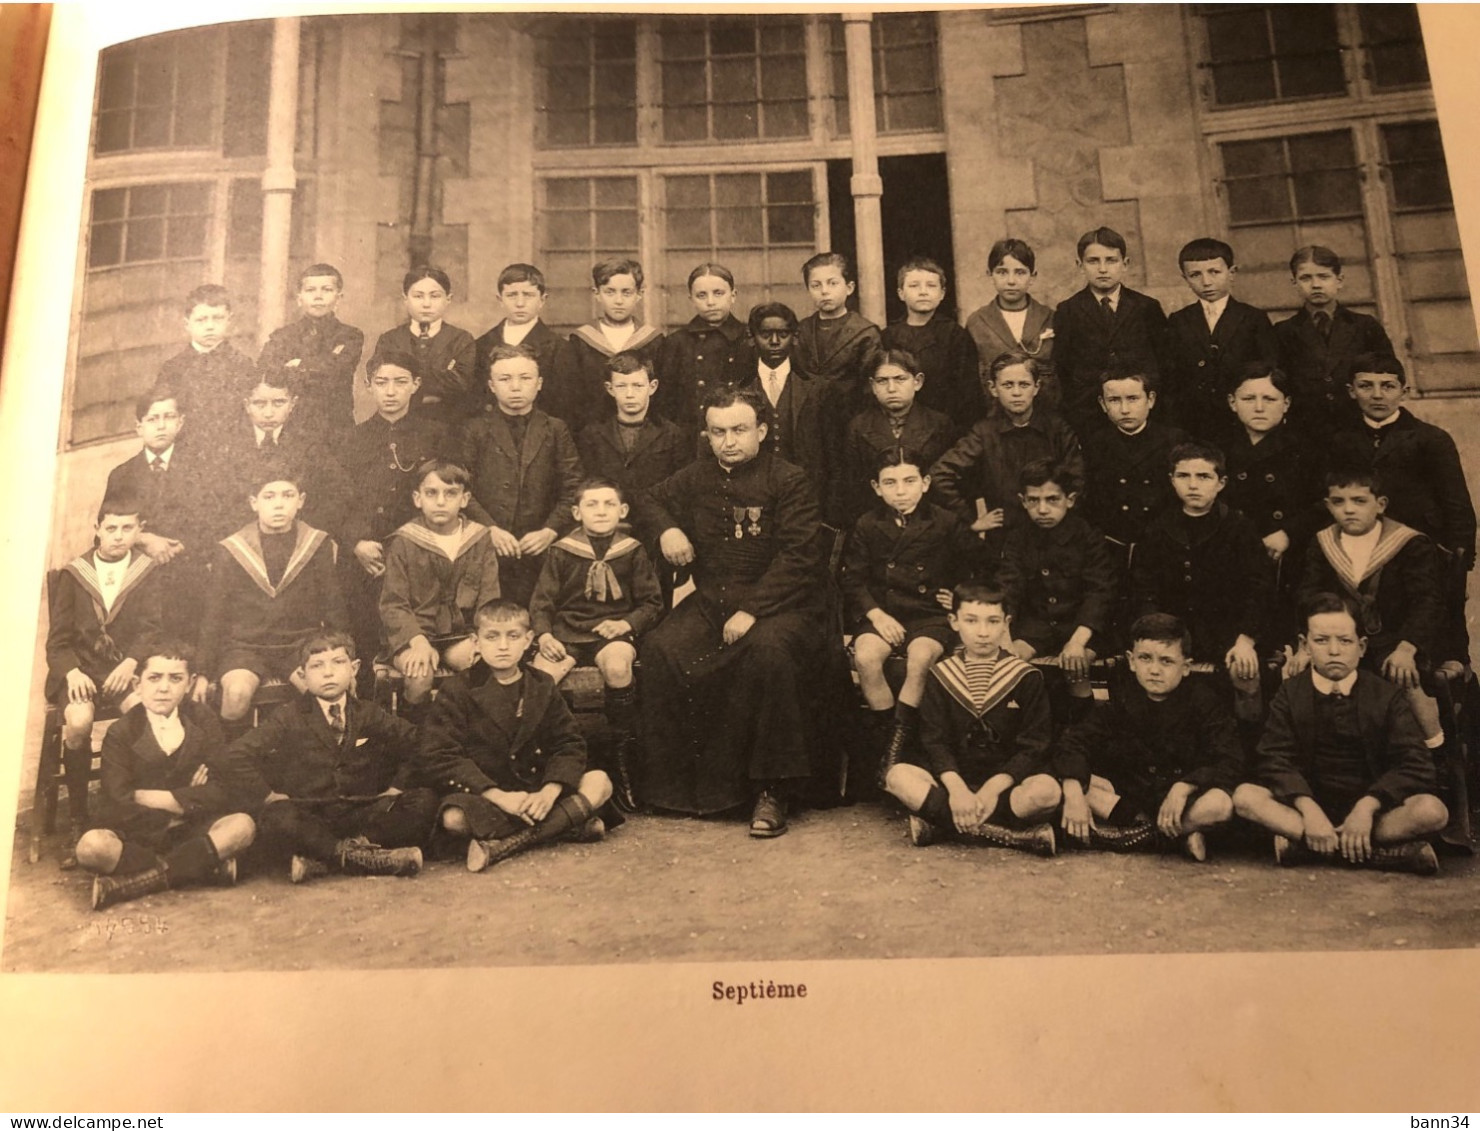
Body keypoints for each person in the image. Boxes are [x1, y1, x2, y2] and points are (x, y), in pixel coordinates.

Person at [636, 386, 833, 836]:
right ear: (707, 435)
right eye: (718, 432)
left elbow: (800, 558)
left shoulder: (789, 479)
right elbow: (647, 499)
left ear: (761, 431)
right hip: (712, 601)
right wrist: (668, 530)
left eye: (740, 430)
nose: (729, 440)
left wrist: (752, 609)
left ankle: (772, 791)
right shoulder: (696, 476)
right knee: (662, 647)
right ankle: (675, 787)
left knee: (768, 653)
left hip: (785, 603)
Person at [1233, 593, 1448, 875]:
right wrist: (1308, 810)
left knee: (1432, 811)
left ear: (1361, 647)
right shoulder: (1290, 693)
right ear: (1305, 646)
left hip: (1373, 812)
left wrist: (1368, 807)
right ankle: (1377, 854)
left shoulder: (1385, 695)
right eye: (1321, 640)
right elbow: (1273, 758)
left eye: (1344, 641)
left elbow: (1416, 764)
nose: (1334, 651)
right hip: (1309, 808)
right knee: (1245, 797)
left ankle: (1311, 848)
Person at [417, 600, 614, 872]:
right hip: (489, 793)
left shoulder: (541, 684)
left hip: (536, 790)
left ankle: (506, 844)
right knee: (453, 818)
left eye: (513, 636)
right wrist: (498, 796)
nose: (502, 646)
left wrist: (549, 791)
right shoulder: (457, 689)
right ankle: (565, 825)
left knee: (600, 782)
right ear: (475, 641)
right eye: (491, 637)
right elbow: (441, 756)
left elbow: (568, 743)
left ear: (528, 640)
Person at [231, 632, 435, 882]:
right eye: (317, 665)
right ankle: (369, 859)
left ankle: (326, 861)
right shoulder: (288, 716)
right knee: (276, 816)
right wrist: (268, 794)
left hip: (360, 811)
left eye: (338, 662)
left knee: (424, 800)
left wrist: (397, 785)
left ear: (354, 668)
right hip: (311, 813)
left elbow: (418, 742)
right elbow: (237, 755)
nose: (328, 673)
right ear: (303, 675)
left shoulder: (367, 713)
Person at [74, 638, 257, 911]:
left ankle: (138, 882)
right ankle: (201, 868)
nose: (163, 688)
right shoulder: (121, 732)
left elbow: (224, 788)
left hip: (192, 830)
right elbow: (118, 800)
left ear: (190, 683)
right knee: (91, 847)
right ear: (138, 684)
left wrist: (153, 796)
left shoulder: (203, 720)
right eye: (155, 678)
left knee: (243, 825)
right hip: (139, 835)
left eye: (175, 679)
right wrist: (184, 799)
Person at [338, 350, 481, 693]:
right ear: (367, 386)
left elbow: (446, 492)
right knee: (368, 643)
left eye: (401, 382)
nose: (391, 391)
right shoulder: (351, 439)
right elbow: (340, 501)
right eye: (382, 383)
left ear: (415, 385)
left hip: (422, 554)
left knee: (425, 649)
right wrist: (357, 541)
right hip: (365, 559)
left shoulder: (436, 434)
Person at [882, 584, 1060, 854]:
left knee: (1047, 793)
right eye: (971, 620)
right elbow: (935, 741)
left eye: (993, 621)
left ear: (1006, 624)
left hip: (1005, 785)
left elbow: (1035, 745)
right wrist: (957, 791)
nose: (983, 632)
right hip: (954, 780)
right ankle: (1010, 834)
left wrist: (991, 789)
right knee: (897, 776)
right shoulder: (942, 674)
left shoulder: (1026, 676)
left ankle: (942, 825)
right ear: (954, 622)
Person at [1327, 352, 1476, 663]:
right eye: (1366, 386)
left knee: (1441, 645)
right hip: (1362, 553)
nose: (1378, 395)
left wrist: (1458, 564)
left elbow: (1457, 504)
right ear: (1351, 391)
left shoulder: (1431, 439)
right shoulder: (1339, 441)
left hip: (1422, 552)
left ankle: (1459, 702)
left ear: (1404, 392)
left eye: (1388, 386)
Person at [1055, 613, 1241, 861]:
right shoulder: (1122, 699)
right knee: (1072, 782)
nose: (1154, 670)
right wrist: (1074, 790)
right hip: (1131, 804)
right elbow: (1073, 741)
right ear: (1131, 661)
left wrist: (1184, 786)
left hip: (1181, 804)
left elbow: (1230, 759)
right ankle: (1173, 837)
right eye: (1145, 658)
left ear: (1185, 667)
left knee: (1221, 805)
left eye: (1166, 661)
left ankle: (1143, 838)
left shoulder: (1204, 702)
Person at [1294, 468, 1446, 769]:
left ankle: (1434, 755)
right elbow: (1307, 596)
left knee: (1404, 676)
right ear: (1328, 506)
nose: (1348, 509)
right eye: (1338, 502)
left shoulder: (1409, 543)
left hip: (1396, 639)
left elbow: (1427, 601)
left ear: (1381, 504)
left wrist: (1407, 647)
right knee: (1303, 675)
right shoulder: (1323, 543)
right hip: (1340, 638)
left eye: (1359, 500)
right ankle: (1326, 764)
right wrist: (1305, 647)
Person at [840, 447, 974, 787]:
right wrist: (876, 614)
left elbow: (981, 569)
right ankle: (891, 743)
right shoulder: (868, 525)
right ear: (876, 487)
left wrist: (957, 596)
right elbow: (852, 579)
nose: (901, 491)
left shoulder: (945, 522)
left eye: (909, 481)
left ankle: (898, 750)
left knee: (921, 657)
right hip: (884, 612)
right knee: (867, 657)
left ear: (926, 483)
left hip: (929, 614)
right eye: (890, 483)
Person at [530, 477, 664, 809]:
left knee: (618, 666)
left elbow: (652, 603)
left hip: (613, 632)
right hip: (568, 632)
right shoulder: (561, 551)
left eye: (608, 504)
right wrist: (545, 634)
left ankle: (621, 758)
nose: (601, 511)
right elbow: (541, 602)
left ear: (623, 510)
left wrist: (625, 623)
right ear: (576, 512)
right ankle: (548, 763)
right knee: (540, 677)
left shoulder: (632, 551)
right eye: (591, 504)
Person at [45, 494, 164, 842]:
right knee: (79, 722)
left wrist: (131, 662)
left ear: (139, 530)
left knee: (146, 716)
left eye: (128, 528)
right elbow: (58, 641)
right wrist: (71, 672)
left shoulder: (146, 571)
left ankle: (134, 810)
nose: (118, 535)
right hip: (80, 670)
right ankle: (79, 815)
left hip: (123, 669)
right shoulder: (74, 573)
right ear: (97, 529)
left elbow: (151, 630)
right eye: (111, 528)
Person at [197, 462, 348, 733]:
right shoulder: (233, 549)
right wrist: (203, 671)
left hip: (299, 643)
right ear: (254, 502)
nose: (279, 504)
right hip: (246, 647)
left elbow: (334, 604)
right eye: (269, 496)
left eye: (287, 495)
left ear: (300, 501)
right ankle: (236, 768)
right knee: (236, 695)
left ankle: (308, 767)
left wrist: (343, 655)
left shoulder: (317, 543)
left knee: (322, 690)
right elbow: (214, 614)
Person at [1129, 442, 1272, 718]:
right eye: (1184, 476)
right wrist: (1157, 636)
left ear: (1221, 483)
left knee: (1243, 671)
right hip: (1170, 632)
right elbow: (1143, 589)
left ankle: (1247, 744)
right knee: (1153, 668)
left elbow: (1260, 589)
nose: (1193, 485)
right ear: (1172, 481)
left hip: (1227, 635)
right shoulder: (1158, 529)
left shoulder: (1239, 528)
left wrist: (1245, 640)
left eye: (1203, 477)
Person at [928, 353, 1083, 565]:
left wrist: (1057, 514)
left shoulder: (1056, 428)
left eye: (1024, 384)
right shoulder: (984, 432)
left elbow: (1077, 478)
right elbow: (940, 474)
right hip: (1005, 539)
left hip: (1054, 535)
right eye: (1008, 385)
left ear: (1036, 387)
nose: (1017, 393)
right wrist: (970, 518)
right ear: (993, 388)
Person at [463, 343, 585, 607]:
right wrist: (489, 529)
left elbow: (573, 488)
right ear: (491, 385)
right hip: (489, 548)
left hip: (541, 547)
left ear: (539, 383)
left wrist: (550, 530)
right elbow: (461, 489)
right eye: (505, 379)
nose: (515, 387)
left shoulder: (555, 429)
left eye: (525, 378)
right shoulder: (474, 430)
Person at [996, 460, 1117, 722]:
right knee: (1011, 661)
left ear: (1070, 499)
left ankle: (1080, 727)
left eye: (1052, 500)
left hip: (1082, 626)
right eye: (1033, 500)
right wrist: (1005, 637)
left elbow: (1099, 592)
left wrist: (1077, 641)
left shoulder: (1088, 537)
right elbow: (1009, 588)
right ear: (1023, 501)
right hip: (1036, 625)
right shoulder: (1018, 538)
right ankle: (1032, 730)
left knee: (1076, 665)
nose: (1042, 509)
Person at [379, 459, 501, 710]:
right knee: (419, 673)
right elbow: (394, 604)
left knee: (483, 665)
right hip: (415, 634)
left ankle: (469, 738)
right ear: (417, 498)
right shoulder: (404, 540)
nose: (441, 501)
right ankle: (414, 740)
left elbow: (489, 597)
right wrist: (417, 641)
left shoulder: (479, 538)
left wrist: (481, 636)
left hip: (461, 633)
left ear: (465, 499)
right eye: (431, 493)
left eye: (451, 493)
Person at [103, 386, 217, 641]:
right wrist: (143, 539)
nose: (161, 426)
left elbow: (214, 524)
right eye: (153, 419)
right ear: (139, 427)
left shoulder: (202, 471)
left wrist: (177, 548)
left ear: (180, 423)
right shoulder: (122, 475)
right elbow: (104, 533)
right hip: (139, 580)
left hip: (190, 575)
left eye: (169, 417)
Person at [1221, 364, 1319, 640]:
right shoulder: (1219, 449)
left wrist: (1288, 533)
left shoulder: (1307, 449)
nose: (1259, 407)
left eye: (1270, 399)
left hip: (1289, 557)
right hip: (1234, 557)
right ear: (1232, 403)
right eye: (1249, 399)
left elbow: (1326, 504)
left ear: (1286, 404)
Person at [1051, 227, 1167, 437]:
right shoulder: (1068, 310)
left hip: (1140, 415)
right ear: (1080, 265)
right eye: (1093, 261)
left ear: (1125, 263)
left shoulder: (1146, 307)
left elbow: (1163, 362)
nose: (1102, 269)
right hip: (1088, 416)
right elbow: (1063, 368)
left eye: (1111, 260)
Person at [1161, 237, 1277, 444]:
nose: (1206, 282)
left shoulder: (1252, 318)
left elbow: (1268, 369)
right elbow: (1171, 376)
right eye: (1195, 275)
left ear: (1232, 273)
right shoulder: (1179, 320)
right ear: (1185, 278)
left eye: (1214, 272)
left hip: (1240, 421)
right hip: (1193, 422)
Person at [208, 369, 347, 541]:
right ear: (246, 405)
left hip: (297, 538)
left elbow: (338, 491)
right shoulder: (227, 445)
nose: (268, 413)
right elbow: (217, 501)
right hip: (243, 542)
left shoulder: (309, 444)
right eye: (259, 404)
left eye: (278, 403)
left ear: (292, 404)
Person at [1079, 365, 1191, 574]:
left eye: (1133, 399)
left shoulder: (1175, 441)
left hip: (1163, 547)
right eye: (1114, 400)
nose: (1124, 409)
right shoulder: (1093, 444)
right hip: (1109, 548)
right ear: (1102, 404)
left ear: (1151, 400)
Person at [1275, 246, 1394, 440]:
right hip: (1305, 432)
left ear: (1339, 281)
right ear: (1294, 283)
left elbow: (1388, 375)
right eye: (1306, 278)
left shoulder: (1365, 326)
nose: (1315, 285)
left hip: (1359, 427)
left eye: (1324, 277)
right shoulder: (1283, 332)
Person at [574, 352, 693, 537]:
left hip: (656, 530)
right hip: (606, 528)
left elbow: (681, 493)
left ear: (652, 387)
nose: (630, 394)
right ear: (610, 388)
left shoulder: (672, 434)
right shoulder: (592, 435)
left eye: (638, 386)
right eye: (621, 386)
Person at [841, 348, 956, 524]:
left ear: (917, 382)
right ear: (872, 386)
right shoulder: (859, 427)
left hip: (930, 523)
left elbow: (947, 483)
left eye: (900, 379)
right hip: (878, 523)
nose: (891, 388)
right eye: (882, 381)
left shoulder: (939, 424)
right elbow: (854, 486)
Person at [743, 301, 835, 524]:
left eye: (783, 334)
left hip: (805, 495)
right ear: (752, 338)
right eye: (766, 334)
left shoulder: (818, 388)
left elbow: (831, 454)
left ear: (794, 337)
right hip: (754, 493)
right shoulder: (740, 389)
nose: (774, 342)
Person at [257, 262, 365, 440]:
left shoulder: (350, 336)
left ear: (339, 298)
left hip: (336, 429)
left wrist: (297, 365)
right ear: (299, 298)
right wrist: (319, 366)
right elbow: (269, 374)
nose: (318, 296)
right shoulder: (282, 336)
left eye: (326, 290)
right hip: (291, 428)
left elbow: (336, 371)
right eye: (310, 290)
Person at [566, 257, 665, 431]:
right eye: (610, 292)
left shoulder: (654, 341)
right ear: (596, 293)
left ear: (639, 294)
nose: (618, 300)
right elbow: (573, 399)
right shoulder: (580, 341)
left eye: (626, 292)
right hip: (592, 434)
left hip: (645, 432)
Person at [880, 256, 983, 423]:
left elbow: (968, 395)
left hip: (945, 425)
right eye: (914, 286)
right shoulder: (888, 336)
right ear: (901, 293)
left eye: (931, 285)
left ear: (942, 293)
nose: (923, 292)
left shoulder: (955, 335)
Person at [371, 265, 478, 424]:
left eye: (435, 296)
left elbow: (461, 384)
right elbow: (383, 383)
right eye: (418, 296)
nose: (426, 304)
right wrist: (442, 373)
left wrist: (407, 377)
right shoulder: (389, 340)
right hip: (400, 423)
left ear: (448, 299)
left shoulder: (462, 340)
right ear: (405, 299)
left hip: (449, 424)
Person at [656, 262, 754, 435]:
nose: (710, 302)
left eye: (718, 293)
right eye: (701, 295)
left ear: (733, 295)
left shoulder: (749, 339)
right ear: (691, 299)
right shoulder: (676, 343)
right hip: (691, 441)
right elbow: (665, 404)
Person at [156, 284, 259, 448]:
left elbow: (251, 419)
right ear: (187, 324)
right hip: (186, 452)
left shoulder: (242, 365)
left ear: (229, 321)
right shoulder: (173, 368)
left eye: (217, 318)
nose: (210, 326)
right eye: (201, 320)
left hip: (232, 453)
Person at [964, 238, 1057, 410]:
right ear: (989, 274)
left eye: (1020, 272)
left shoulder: (1051, 318)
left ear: (1033, 276)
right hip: (994, 418)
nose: (1011, 281)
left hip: (1045, 417)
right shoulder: (977, 323)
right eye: (1002, 272)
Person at [472, 263, 572, 422]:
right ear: (500, 299)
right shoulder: (481, 345)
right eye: (512, 295)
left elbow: (563, 407)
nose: (520, 303)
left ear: (542, 300)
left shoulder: (559, 348)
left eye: (528, 295)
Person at [794, 251, 882, 425]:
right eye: (816, 285)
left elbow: (870, 387)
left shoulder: (865, 333)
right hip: (808, 420)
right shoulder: (802, 330)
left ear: (849, 288)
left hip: (850, 420)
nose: (824, 291)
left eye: (832, 283)